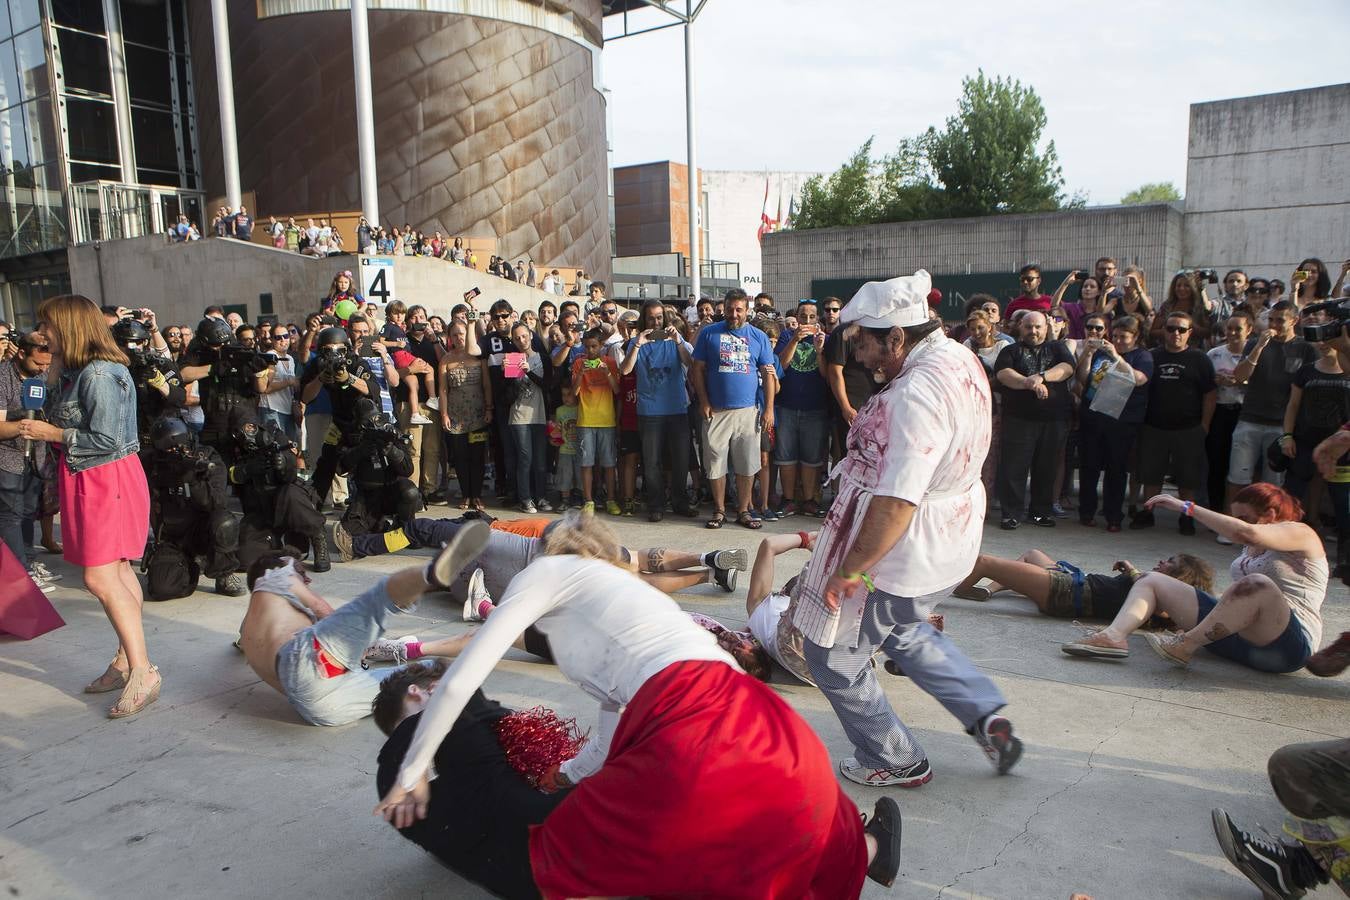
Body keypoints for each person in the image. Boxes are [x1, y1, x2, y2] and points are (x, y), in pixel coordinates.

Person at [375, 512, 903, 897]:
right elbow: (613, 712)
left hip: (690, 729)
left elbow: (465, 674)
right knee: (798, 820)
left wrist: (413, 770)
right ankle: (871, 852)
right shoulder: (623, 597)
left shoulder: (546, 572)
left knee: (559, 851)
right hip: (758, 713)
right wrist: (568, 773)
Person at [791, 270, 1022, 788]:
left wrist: (849, 569)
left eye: (866, 344)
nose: (859, 357)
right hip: (952, 540)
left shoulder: (913, 396)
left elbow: (897, 501)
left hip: (906, 552)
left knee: (830, 659)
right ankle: (988, 717)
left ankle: (896, 758)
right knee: (903, 629)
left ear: (898, 337)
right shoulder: (957, 355)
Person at [18, 295, 157, 718]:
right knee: (115, 571)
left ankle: (141, 670)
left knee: (99, 577)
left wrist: (50, 433)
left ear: (71, 327)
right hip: (92, 477)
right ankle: (125, 659)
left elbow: (108, 441)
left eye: (49, 326)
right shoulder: (80, 370)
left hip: (105, 477)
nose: (43, 334)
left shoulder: (98, 373)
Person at [237, 523, 491, 726]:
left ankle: (455, 704)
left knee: (412, 681)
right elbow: (323, 611)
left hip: (318, 710)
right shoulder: (273, 575)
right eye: (301, 571)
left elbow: (242, 645)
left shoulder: (249, 629)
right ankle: (432, 573)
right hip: (304, 660)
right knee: (380, 598)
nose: (307, 579)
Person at [1064, 484, 1327, 673]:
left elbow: (1248, 533)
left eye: (1242, 517)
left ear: (1270, 515)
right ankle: (1113, 637)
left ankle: (1185, 644)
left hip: (1287, 648)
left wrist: (1186, 507)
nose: (1236, 523)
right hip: (1240, 642)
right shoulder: (1249, 550)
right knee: (1152, 579)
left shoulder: (1300, 533)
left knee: (1257, 584)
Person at [372, 660, 572, 900]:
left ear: (416, 692)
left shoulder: (482, 735)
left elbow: (467, 721)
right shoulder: (483, 744)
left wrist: (415, 740)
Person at [334, 512, 746, 601]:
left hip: (530, 565)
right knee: (635, 560)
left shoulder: (488, 530)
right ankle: (708, 559)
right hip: (554, 549)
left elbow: (426, 531)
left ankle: (708, 577)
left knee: (630, 581)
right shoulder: (516, 524)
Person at [691, 288, 778, 530]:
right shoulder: (709, 334)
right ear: (724, 309)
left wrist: (769, 409)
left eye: (739, 310)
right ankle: (719, 510)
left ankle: (743, 510)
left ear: (747, 311)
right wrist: (704, 401)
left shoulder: (759, 337)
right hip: (716, 411)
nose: (734, 314)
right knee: (715, 462)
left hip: (748, 411)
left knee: (747, 463)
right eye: (730, 309)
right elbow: (696, 369)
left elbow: (768, 375)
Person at [1130, 311, 1216, 534]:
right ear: (1163, 332)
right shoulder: (1151, 356)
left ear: (1190, 333)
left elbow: (1210, 394)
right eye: (1170, 329)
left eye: (1181, 329)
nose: (1175, 333)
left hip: (1188, 429)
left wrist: (1204, 425)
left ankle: (1186, 517)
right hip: (1154, 426)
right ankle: (1148, 512)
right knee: (1151, 475)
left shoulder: (1200, 359)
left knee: (1187, 479)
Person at [141, 418, 243, 600]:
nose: (177, 453)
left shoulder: (208, 458)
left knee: (224, 522)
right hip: (172, 536)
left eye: (181, 448)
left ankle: (224, 573)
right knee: (161, 589)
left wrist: (194, 481)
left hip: (203, 531)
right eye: (170, 450)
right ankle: (188, 567)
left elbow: (218, 503)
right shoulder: (153, 463)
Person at [952, 549, 1214, 620]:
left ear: (1180, 577)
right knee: (1032, 554)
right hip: (1071, 584)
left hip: (1065, 593)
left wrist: (1133, 570)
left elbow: (1163, 612)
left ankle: (962, 589)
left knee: (984, 562)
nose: (1161, 561)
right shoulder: (1154, 587)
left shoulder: (1162, 599)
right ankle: (990, 589)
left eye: (1170, 562)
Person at [1227, 301, 1315, 510]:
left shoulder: (1305, 349)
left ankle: (1268, 524)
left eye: (1280, 320)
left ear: (1294, 321)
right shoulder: (1255, 343)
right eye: (1271, 319)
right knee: (1238, 475)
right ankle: (1232, 521)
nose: (1273, 324)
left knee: (1274, 483)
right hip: (1250, 419)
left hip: (1281, 426)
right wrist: (1258, 347)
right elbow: (1240, 376)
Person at [994, 310, 1076, 529]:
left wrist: (1042, 377)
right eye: (1029, 326)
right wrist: (1028, 383)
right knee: (1014, 468)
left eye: (1038, 326)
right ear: (1020, 327)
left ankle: (1040, 513)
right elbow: (1003, 374)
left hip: (1054, 420)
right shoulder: (1010, 350)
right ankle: (1011, 514)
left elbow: (1067, 369)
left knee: (1046, 468)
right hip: (1019, 420)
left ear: (1046, 328)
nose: (1033, 331)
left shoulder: (1058, 348)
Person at [1076, 313, 1152, 530]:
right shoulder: (1102, 353)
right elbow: (1084, 378)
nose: (1118, 341)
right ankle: (1086, 511)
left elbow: (1138, 379)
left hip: (1121, 422)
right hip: (1093, 417)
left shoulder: (1142, 356)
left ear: (1135, 337)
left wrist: (1117, 357)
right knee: (1089, 468)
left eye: (1124, 337)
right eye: (1115, 336)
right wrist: (1089, 355)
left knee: (1115, 470)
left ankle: (1113, 516)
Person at [622, 299, 695, 521]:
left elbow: (690, 362)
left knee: (681, 459)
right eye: (651, 318)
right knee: (651, 461)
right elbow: (625, 370)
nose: (656, 322)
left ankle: (680, 501)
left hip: (677, 409)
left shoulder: (676, 340)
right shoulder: (637, 343)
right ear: (645, 319)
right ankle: (656, 504)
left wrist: (678, 340)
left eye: (659, 317)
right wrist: (637, 344)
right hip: (649, 411)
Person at [0, 330, 58, 590]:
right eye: (38, 363)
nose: (43, 369)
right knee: (10, 515)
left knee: (27, 512)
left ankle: (30, 561)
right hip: (7, 457)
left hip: (37, 456)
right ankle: (20, 574)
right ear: (21, 353)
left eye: (47, 364)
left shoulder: (43, 376)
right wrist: (27, 425)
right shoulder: (2, 378)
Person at [774, 300, 830, 517]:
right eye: (803, 316)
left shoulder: (825, 338)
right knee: (786, 457)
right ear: (796, 318)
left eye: (811, 317)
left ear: (818, 319)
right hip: (787, 406)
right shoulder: (787, 336)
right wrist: (795, 340)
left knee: (811, 458)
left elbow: (827, 376)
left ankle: (808, 500)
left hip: (815, 407)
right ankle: (788, 500)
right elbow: (781, 365)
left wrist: (819, 351)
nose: (807, 321)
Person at [438, 321, 491, 511]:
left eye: (462, 334)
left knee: (477, 456)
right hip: (455, 414)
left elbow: (486, 386)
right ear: (449, 337)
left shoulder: (479, 357)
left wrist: (488, 409)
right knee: (460, 457)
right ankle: (465, 494)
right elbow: (443, 390)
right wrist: (444, 414)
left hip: (477, 414)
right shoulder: (446, 360)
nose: (459, 338)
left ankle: (476, 495)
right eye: (454, 335)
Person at [571, 328, 621, 514]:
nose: (590, 351)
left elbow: (617, 391)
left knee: (609, 463)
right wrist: (581, 374)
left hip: (606, 420)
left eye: (594, 346)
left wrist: (607, 372)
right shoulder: (578, 363)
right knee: (586, 462)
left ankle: (610, 499)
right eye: (587, 347)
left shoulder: (610, 362)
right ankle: (589, 500)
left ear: (601, 346)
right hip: (585, 420)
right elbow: (574, 393)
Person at [1205, 309, 1251, 515]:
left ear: (1248, 330)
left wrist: (1241, 381)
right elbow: (1205, 386)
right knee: (1217, 461)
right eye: (1229, 328)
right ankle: (1215, 508)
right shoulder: (1214, 354)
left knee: (1241, 466)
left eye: (1238, 329)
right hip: (1219, 412)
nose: (1232, 333)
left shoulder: (1255, 353)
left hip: (1244, 413)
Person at [503, 322, 550, 514]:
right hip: (519, 415)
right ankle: (525, 498)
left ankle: (541, 496)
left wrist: (528, 370)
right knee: (525, 458)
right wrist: (507, 375)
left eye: (524, 336)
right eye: (517, 338)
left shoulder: (541, 357)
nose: (521, 341)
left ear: (530, 335)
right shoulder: (511, 358)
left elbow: (547, 385)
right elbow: (507, 396)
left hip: (539, 414)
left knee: (540, 460)